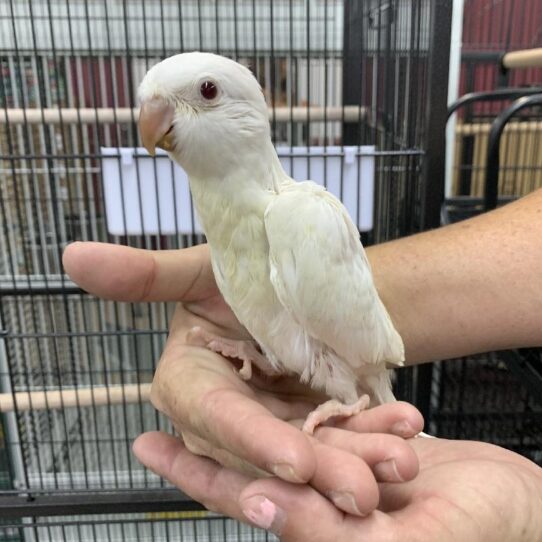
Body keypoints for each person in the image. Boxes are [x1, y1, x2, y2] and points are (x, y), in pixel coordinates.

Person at [63, 188, 542, 541]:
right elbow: (304, 318)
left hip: (350, 370)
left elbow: (347, 332)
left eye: (206, 94)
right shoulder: (227, 223)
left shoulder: (293, 212)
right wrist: (246, 338)